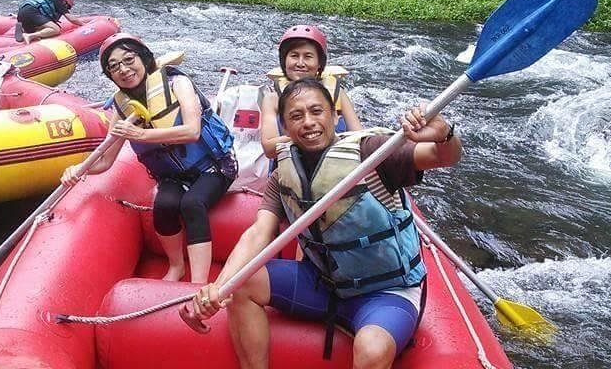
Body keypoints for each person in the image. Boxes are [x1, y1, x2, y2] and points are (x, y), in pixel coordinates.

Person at [180, 77, 462, 369]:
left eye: (317, 111)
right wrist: (219, 289)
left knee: (372, 349)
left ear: (335, 116)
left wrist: (444, 135)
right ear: (285, 128)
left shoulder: (373, 152)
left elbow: (442, 157)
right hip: (322, 283)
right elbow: (257, 233)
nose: (308, 122)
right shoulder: (282, 175)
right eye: (296, 116)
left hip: (385, 291)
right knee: (243, 282)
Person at [61, 33, 238, 283]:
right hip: (174, 175)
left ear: (143, 58)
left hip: (214, 166)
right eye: (114, 67)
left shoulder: (177, 82)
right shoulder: (122, 108)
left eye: (129, 59)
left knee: (192, 204)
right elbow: (104, 161)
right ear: (110, 75)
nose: (124, 69)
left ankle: (198, 282)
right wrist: (78, 169)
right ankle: (176, 267)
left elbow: (192, 131)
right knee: (163, 206)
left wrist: (141, 134)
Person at [261, 25, 362, 159]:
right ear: (284, 60)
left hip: (335, 161)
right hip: (290, 166)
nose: (300, 63)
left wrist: (324, 137)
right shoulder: (272, 99)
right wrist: (310, 137)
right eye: (294, 56)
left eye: (308, 56)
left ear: (319, 63)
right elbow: (269, 148)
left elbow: (360, 137)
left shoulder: (338, 94)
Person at [16, 0, 84, 44]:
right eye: (68, 7)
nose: (67, 8)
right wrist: (83, 25)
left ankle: (28, 33)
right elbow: (71, 19)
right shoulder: (58, 1)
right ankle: (30, 35)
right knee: (55, 29)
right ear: (65, 2)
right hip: (32, 12)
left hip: (21, 14)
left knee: (46, 33)